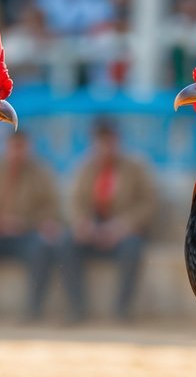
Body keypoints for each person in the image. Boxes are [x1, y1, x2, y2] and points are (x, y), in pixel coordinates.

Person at [60, 120, 158, 322]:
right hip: (93, 231)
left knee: (132, 248)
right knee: (66, 243)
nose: (105, 148)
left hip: (124, 232)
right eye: (100, 143)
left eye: (109, 142)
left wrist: (124, 225)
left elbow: (149, 203)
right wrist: (82, 223)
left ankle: (122, 310)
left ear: (117, 141)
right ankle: (76, 309)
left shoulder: (136, 167)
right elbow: (73, 201)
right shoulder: (84, 167)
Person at [0, 131, 63, 321]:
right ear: (6, 146)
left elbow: (53, 208)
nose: (18, 152)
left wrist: (29, 223)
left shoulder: (41, 172)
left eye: (22, 147)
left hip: (26, 235)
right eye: (14, 146)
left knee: (42, 250)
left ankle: (34, 310)